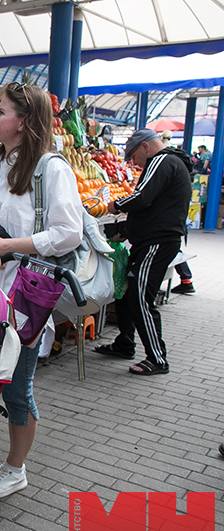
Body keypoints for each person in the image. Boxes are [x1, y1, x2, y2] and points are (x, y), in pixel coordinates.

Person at [0, 82, 83, 499]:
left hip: (25, 299)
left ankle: (15, 468)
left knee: (16, 383)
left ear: (23, 123)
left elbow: (68, 233)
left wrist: (8, 247)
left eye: (1, 112)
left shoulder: (51, 169)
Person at [94, 129, 191, 375]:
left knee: (140, 296)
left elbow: (142, 197)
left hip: (157, 242)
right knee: (127, 293)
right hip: (151, 239)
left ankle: (157, 359)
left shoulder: (162, 160)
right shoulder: (170, 162)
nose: (133, 162)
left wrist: (114, 205)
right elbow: (155, 205)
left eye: (134, 155)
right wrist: (127, 230)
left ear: (146, 147)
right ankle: (125, 343)